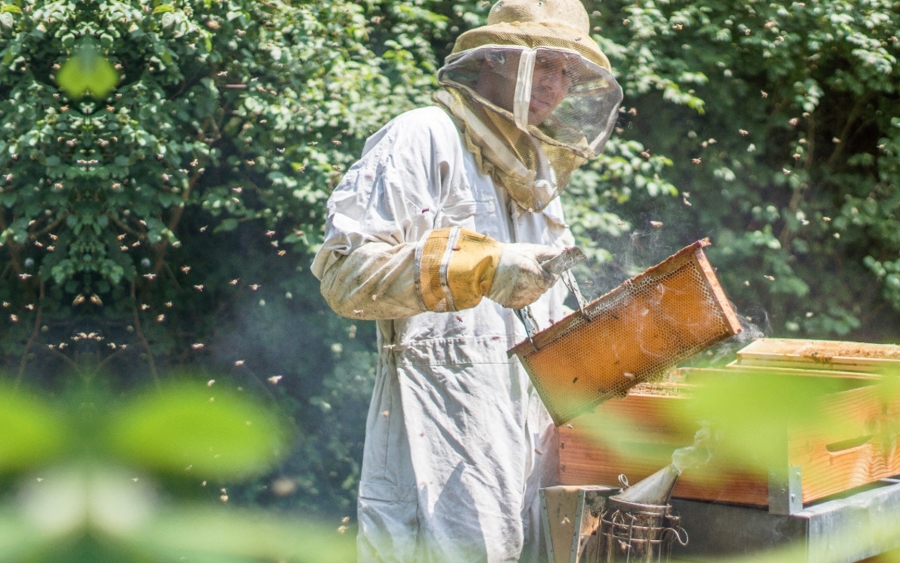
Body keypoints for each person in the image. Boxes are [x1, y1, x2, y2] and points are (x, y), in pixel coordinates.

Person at [311, 1, 622, 561]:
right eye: (545, 63)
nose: (556, 84)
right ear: (496, 58)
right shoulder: (422, 137)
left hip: (529, 440)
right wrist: (479, 268)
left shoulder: (533, 172)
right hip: (436, 434)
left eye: (568, 72)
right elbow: (345, 275)